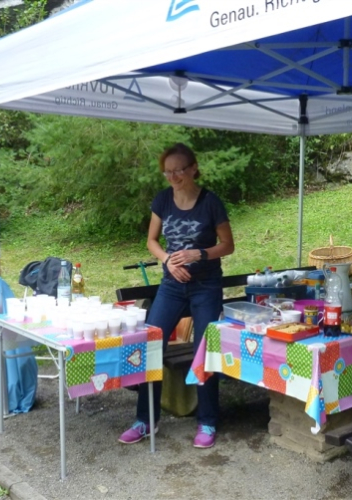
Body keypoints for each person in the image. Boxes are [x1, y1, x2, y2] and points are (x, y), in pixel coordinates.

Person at [118, 143, 235, 449]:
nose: (172, 177)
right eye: (167, 172)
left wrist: (200, 253)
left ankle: (207, 421)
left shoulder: (210, 202)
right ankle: (145, 419)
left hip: (206, 286)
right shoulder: (163, 200)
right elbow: (152, 241)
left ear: (193, 169)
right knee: (151, 343)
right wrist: (167, 259)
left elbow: (228, 245)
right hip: (171, 285)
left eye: (178, 170)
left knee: (204, 349)